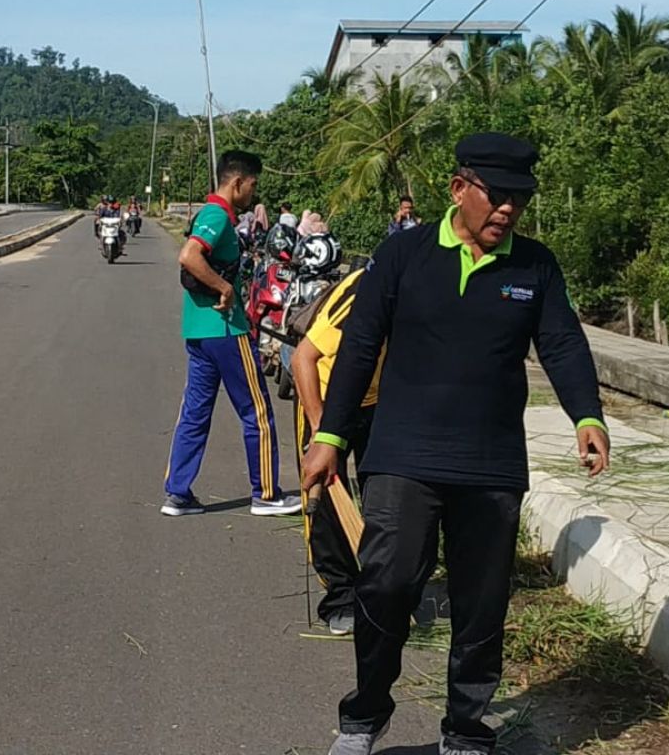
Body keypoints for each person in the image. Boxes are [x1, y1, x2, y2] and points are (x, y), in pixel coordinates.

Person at [303, 132, 611, 755]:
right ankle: (364, 715)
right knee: (386, 583)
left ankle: (465, 727)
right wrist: (330, 434)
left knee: (480, 600)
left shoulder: (536, 266)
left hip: (491, 460)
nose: (508, 210)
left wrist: (588, 417)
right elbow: (360, 344)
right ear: (459, 189)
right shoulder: (403, 256)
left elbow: (563, 344)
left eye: (519, 199)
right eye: (497, 196)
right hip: (402, 451)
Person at [162, 149, 302, 518]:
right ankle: (267, 494)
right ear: (237, 182)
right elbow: (189, 255)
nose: (254, 194)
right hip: (225, 329)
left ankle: (177, 493)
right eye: (253, 185)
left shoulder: (212, 214)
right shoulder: (217, 215)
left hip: (199, 329)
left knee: (194, 412)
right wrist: (225, 288)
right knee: (256, 411)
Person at [292, 268, 382, 636]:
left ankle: (381, 588)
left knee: (387, 493)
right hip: (327, 398)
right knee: (326, 495)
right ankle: (341, 596)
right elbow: (302, 359)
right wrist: (321, 431)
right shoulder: (365, 292)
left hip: (380, 399)